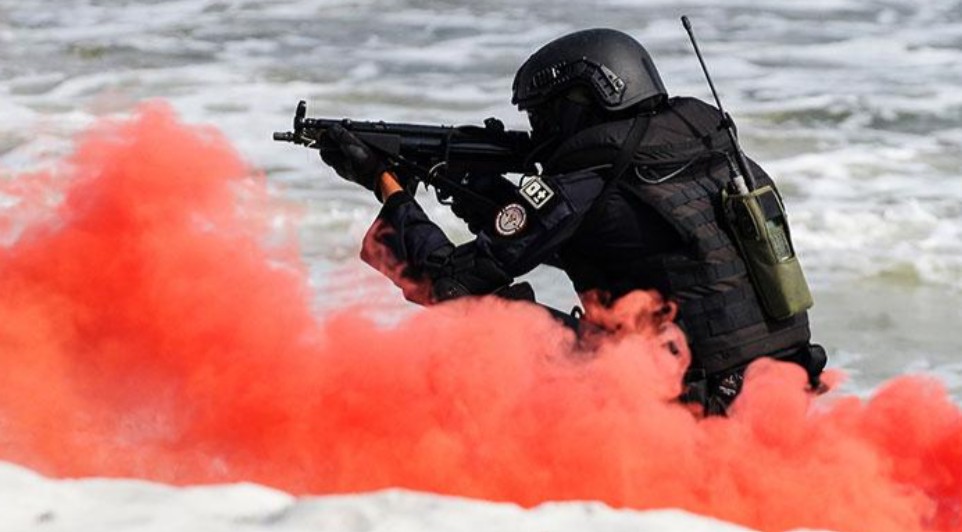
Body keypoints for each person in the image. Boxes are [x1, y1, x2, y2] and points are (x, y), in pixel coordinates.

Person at [317, 28, 826, 415]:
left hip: (689, 404)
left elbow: (447, 282)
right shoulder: (713, 155)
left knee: (495, 318)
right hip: (779, 389)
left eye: (541, 116)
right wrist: (474, 188)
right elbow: (606, 244)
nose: (537, 132)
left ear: (580, 103)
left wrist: (387, 187)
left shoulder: (595, 178)